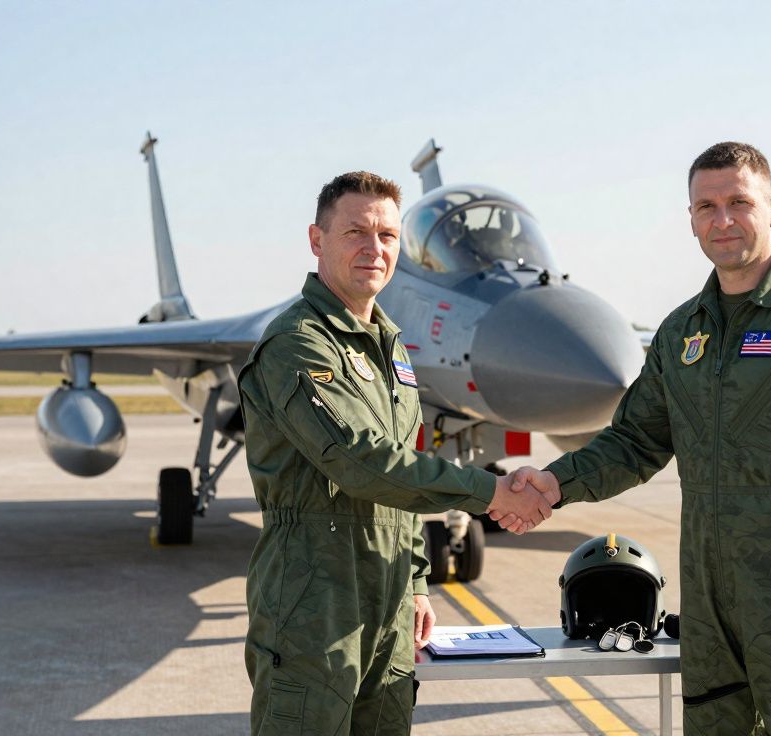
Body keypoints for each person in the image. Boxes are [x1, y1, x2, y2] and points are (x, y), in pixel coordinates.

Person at [502, 142, 771, 734]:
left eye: (739, 202)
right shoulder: (681, 332)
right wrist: (553, 482)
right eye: (706, 207)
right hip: (709, 607)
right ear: (690, 219)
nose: (723, 221)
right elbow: (635, 441)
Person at [237, 171, 555, 736]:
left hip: (388, 608)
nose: (374, 248)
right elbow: (364, 463)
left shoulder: (391, 347)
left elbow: (400, 483)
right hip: (312, 604)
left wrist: (415, 584)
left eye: (386, 236)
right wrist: (490, 491)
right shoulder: (298, 343)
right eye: (355, 232)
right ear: (316, 240)